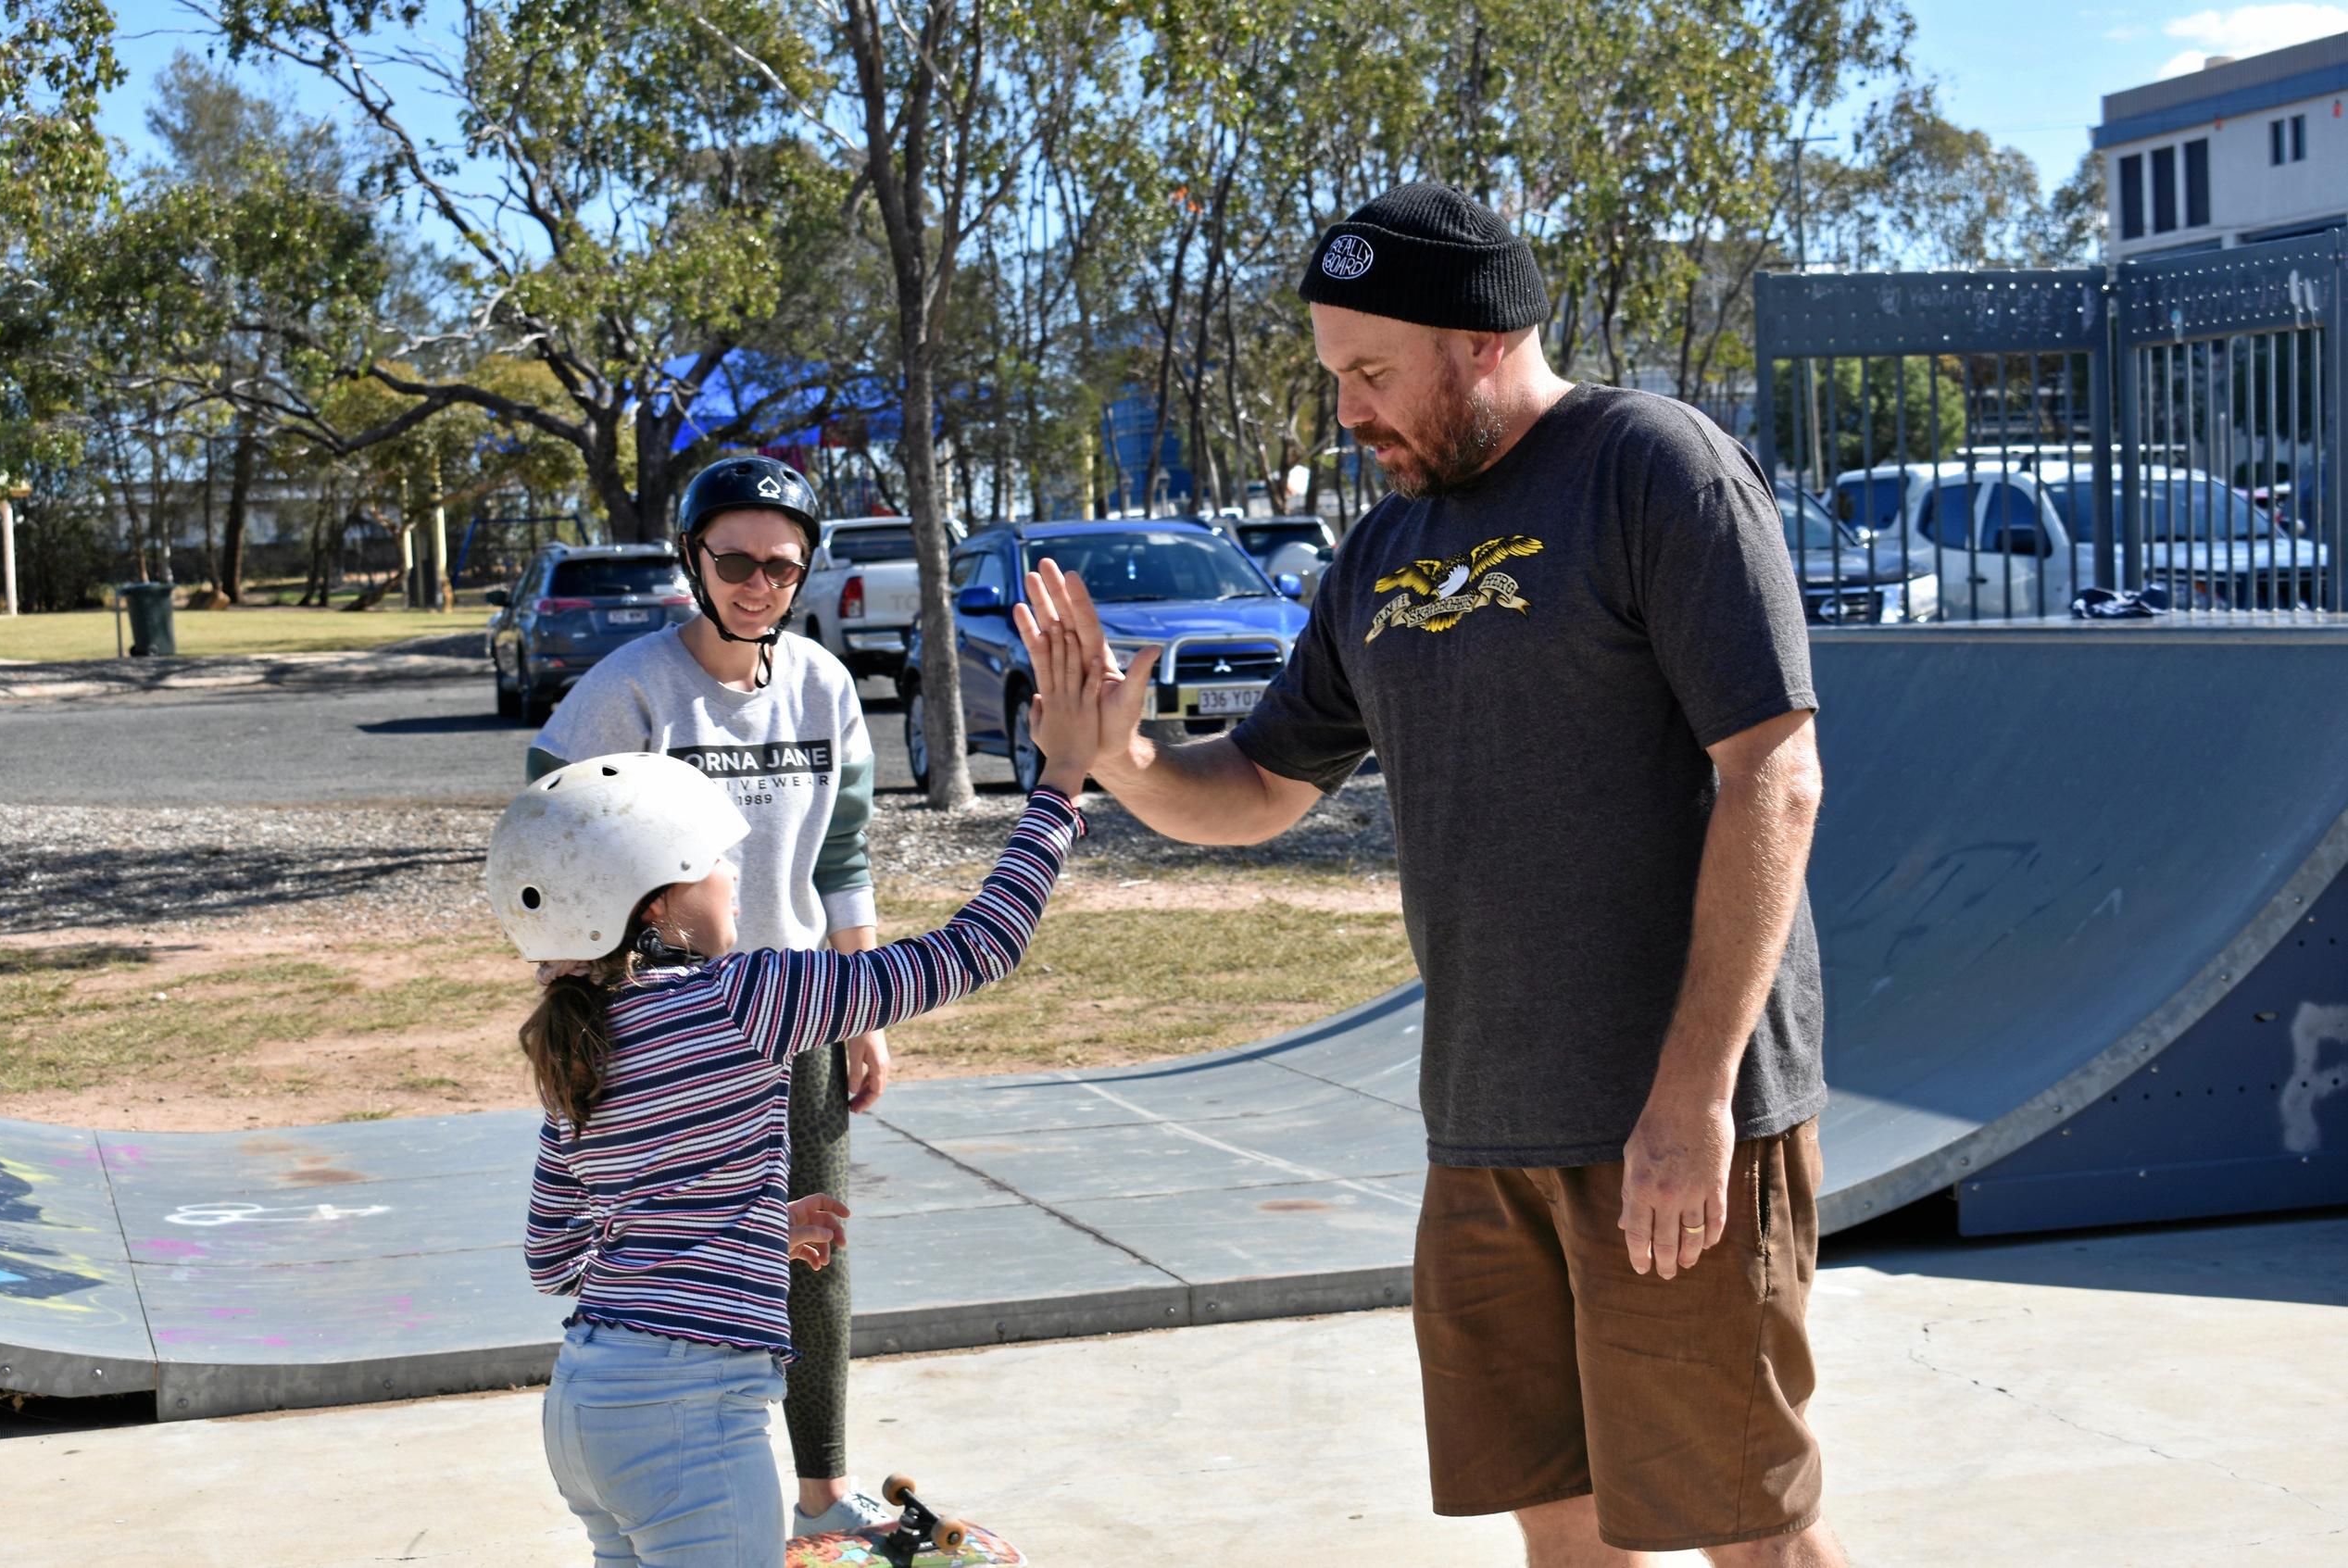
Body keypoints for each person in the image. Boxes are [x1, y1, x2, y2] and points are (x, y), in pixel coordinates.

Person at [1018, 182, 1844, 1567]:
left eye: (1368, 372)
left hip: (1669, 1120)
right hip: (1482, 1124)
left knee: (1742, 1525)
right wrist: (1124, 762)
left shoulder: (1655, 468)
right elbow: (1266, 784)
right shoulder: (1383, 553)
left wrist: (1694, 1096)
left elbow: (1775, 771)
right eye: (1335, 375)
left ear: (1473, 342)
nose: (1347, 412)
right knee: (1560, 1519)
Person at [487, 616, 1100, 1567]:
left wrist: (748, 1226)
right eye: (716, 860)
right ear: (658, 904)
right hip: (691, 1416)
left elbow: (554, 1259)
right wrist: (1060, 786)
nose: (738, 876)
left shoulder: (579, 1048)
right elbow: (977, 948)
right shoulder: (748, 996)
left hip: (585, 1412)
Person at [524, 456, 894, 1536]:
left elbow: (847, 853)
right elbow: (551, 855)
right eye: (734, 559)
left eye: (782, 565)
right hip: (671, 1030)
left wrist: (861, 1009)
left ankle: (821, 1492)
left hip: (796, 1017)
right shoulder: (627, 692)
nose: (757, 583)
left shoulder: (824, 685)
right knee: (676, 1243)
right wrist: (584, 1014)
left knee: (812, 1247)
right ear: (694, 558)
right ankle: (674, 1453)